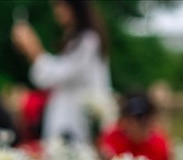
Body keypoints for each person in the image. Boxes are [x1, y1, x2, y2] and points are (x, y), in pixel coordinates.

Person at [11, 0, 112, 145]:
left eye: (59, 5)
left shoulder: (88, 41)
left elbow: (56, 75)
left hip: (76, 121)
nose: (56, 11)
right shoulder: (77, 39)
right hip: (69, 117)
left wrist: (33, 49)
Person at [99, 92, 173, 160]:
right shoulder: (112, 137)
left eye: (144, 118)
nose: (139, 124)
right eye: (135, 118)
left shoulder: (160, 143)